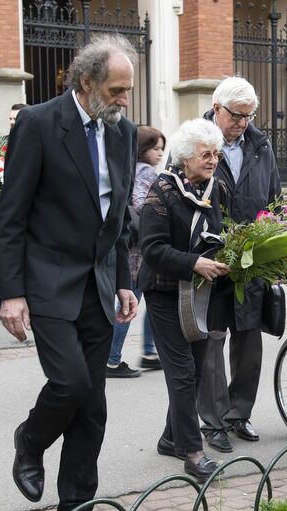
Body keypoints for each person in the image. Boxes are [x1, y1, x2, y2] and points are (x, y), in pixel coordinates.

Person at [0, 34, 139, 511]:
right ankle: (29, 441)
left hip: (99, 285)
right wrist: (9, 293)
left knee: (92, 407)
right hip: (49, 280)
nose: (125, 99)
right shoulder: (37, 124)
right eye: (117, 89)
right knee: (71, 382)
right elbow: (9, 215)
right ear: (86, 83)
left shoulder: (123, 132)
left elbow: (119, 216)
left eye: (129, 89)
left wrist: (123, 278)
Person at [139, 118, 229, 481]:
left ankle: (170, 437)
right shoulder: (161, 191)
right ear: (185, 157)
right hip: (163, 290)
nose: (212, 160)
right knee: (182, 370)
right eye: (205, 154)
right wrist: (194, 261)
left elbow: (219, 230)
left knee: (194, 366)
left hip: (198, 290)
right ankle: (192, 452)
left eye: (216, 154)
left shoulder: (213, 188)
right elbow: (151, 248)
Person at [196, 76, 281, 453]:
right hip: (212, 261)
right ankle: (212, 422)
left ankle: (238, 413)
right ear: (216, 108)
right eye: (236, 115)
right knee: (212, 343)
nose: (243, 123)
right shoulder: (194, 141)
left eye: (249, 116)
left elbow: (275, 197)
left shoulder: (261, 145)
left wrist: (276, 241)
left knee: (249, 341)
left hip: (253, 260)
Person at [106, 125, 165, 377]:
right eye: (156, 148)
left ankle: (150, 352)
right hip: (138, 253)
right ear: (143, 149)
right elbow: (142, 204)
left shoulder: (130, 169)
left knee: (148, 301)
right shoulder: (146, 173)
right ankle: (111, 358)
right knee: (130, 304)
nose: (160, 153)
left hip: (135, 250)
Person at [0, 102, 29, 324]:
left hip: (26, 214)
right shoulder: (0, 144)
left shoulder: (34, 140)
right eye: (10, 119)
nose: (12, 123)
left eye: (16, 119)